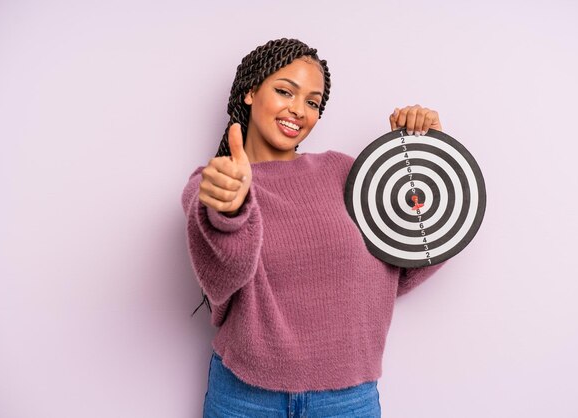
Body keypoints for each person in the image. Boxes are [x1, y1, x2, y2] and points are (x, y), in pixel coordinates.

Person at [181, 38, 446, 417]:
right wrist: (232, 207)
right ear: (251, 92)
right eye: (285, 91)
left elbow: (411, 258)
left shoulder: (346, 174)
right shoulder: (211, 183)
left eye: (312, 102)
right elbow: (225, 274)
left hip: (347, 400)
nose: (298, 110)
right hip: (245, 398)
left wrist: (430, 154)